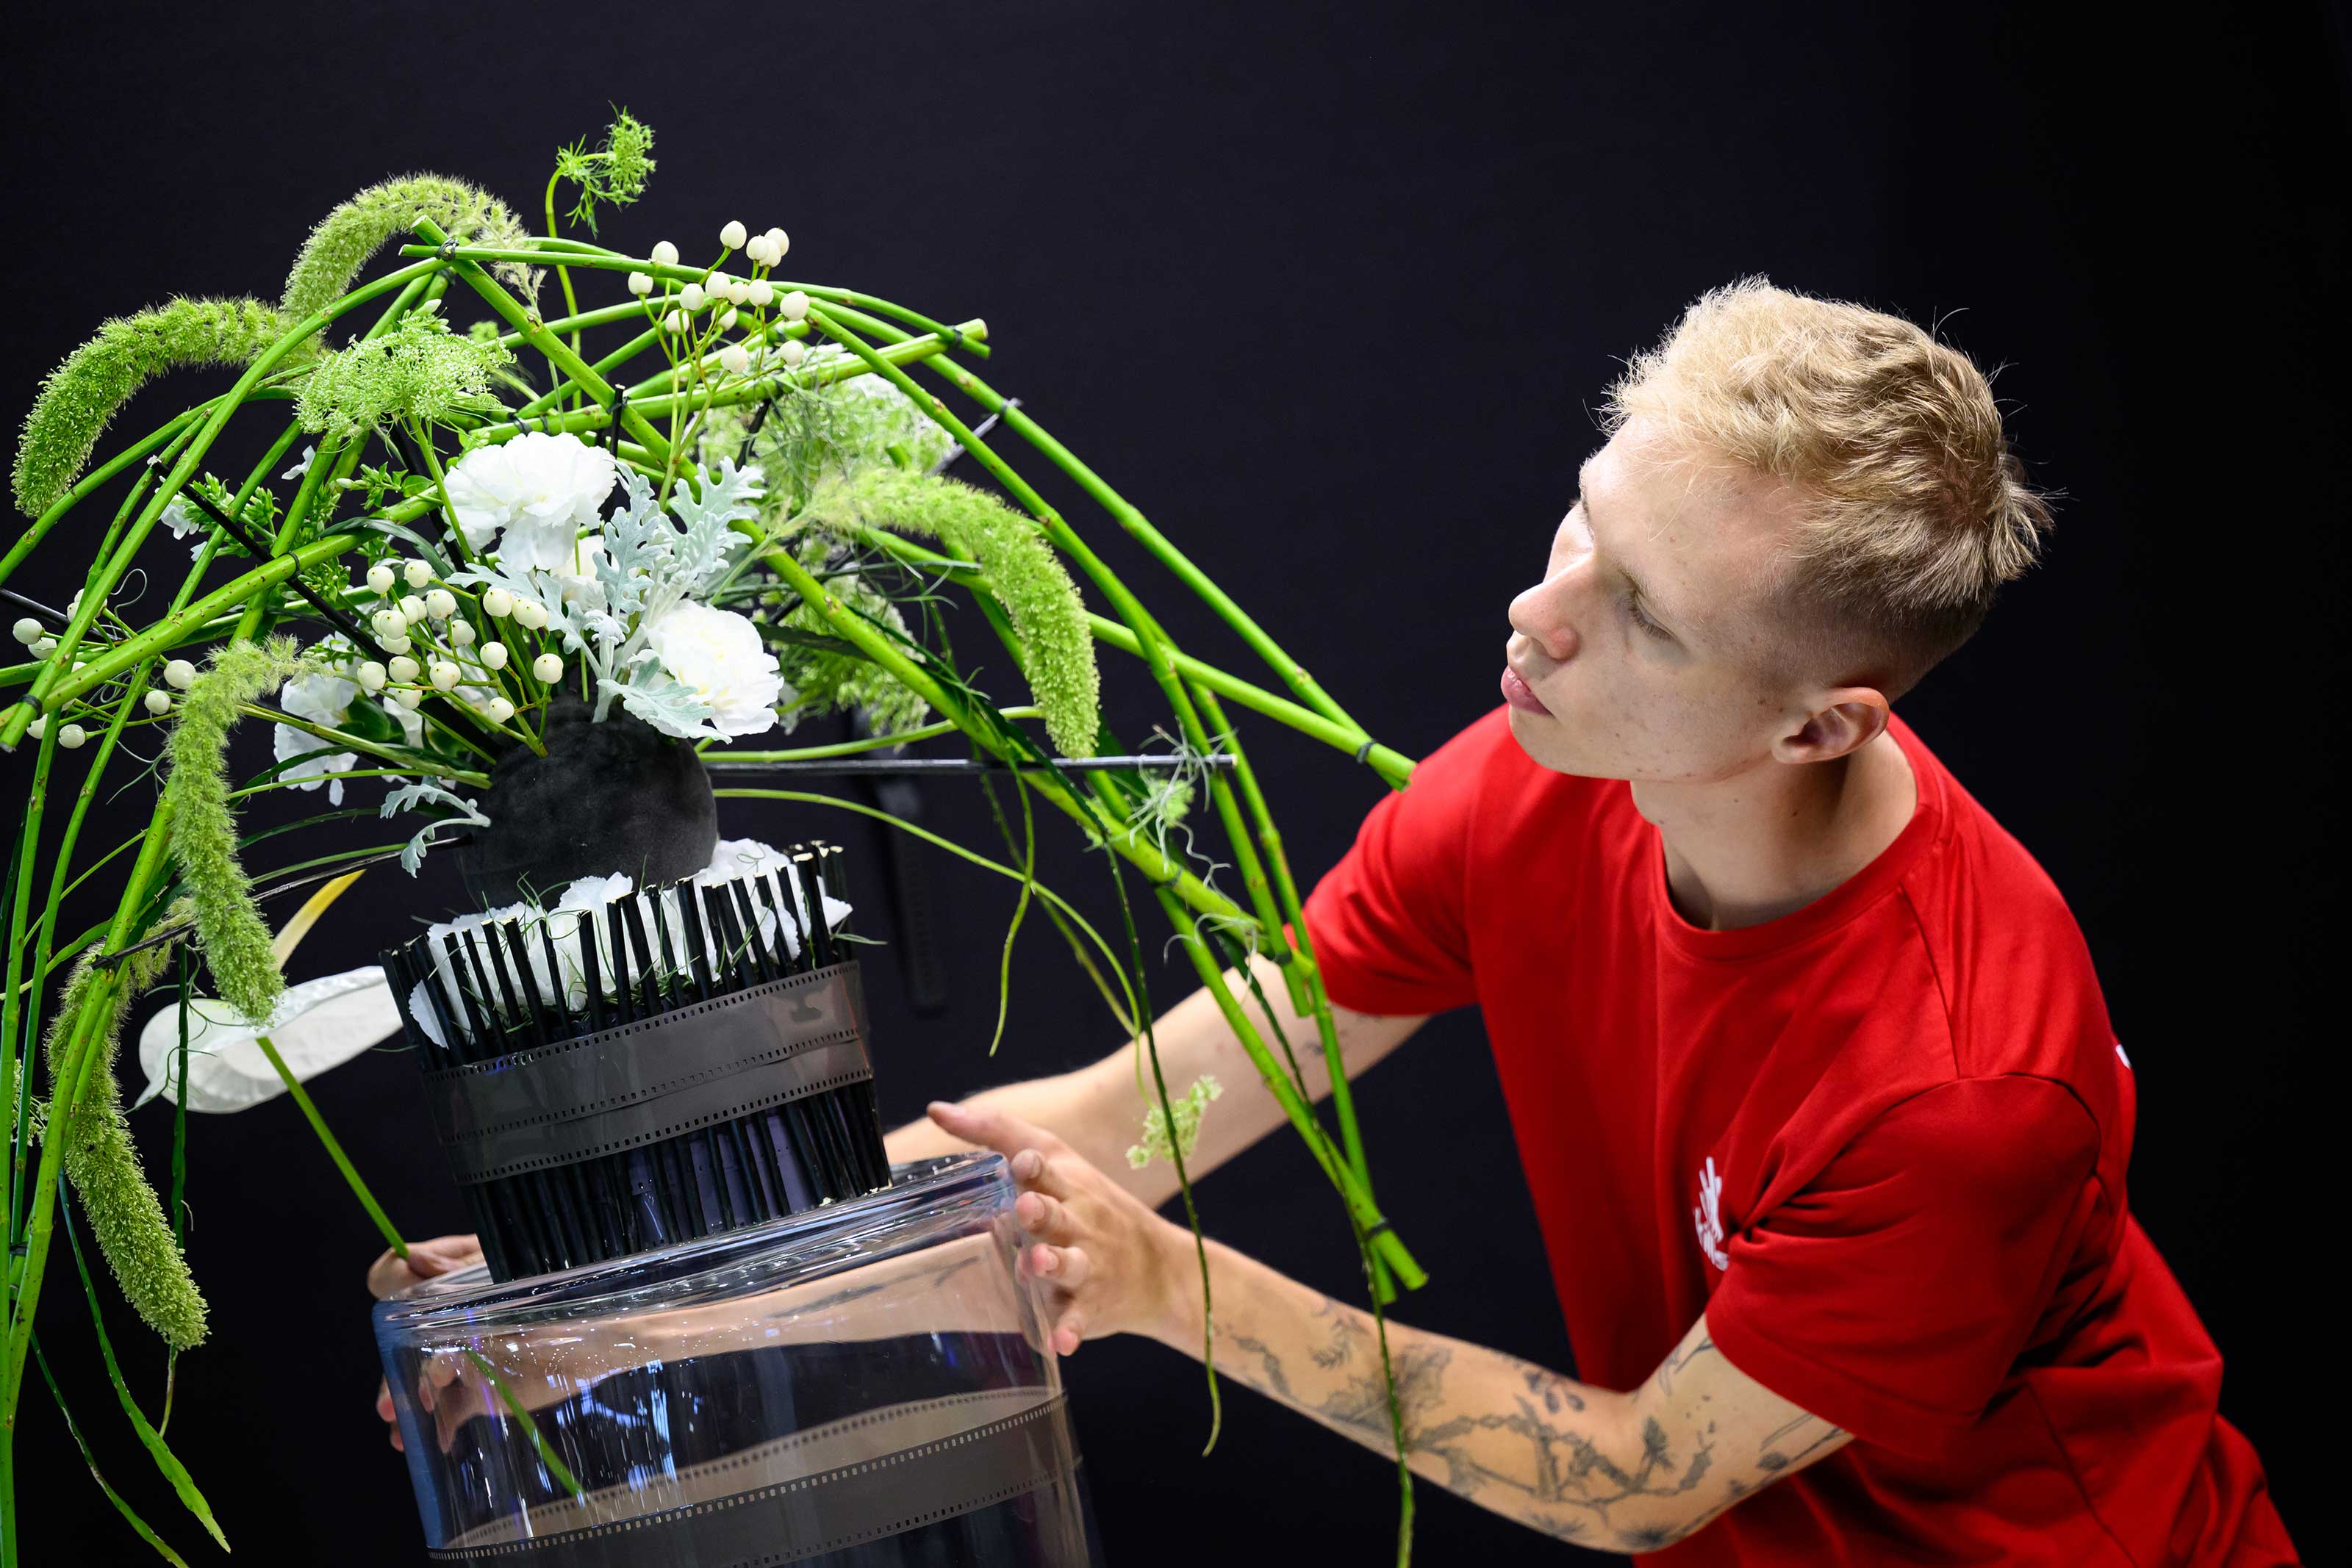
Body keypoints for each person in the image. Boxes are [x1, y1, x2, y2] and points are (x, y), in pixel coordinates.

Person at [373, 279, 2296, 1563]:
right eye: (1582, 527)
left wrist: (1169, 1289)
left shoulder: (1957, 1087)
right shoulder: (1536, 782)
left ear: (1818, 723)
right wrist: (595, 1313)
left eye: (1645, 613)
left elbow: (1638, 1479)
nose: (1542, 618)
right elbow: (1125, 1126)